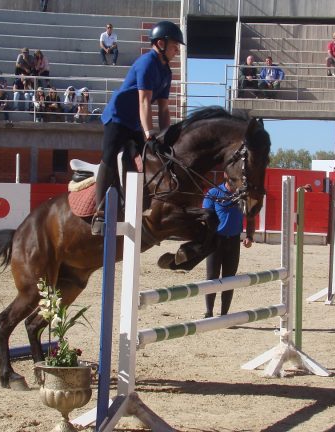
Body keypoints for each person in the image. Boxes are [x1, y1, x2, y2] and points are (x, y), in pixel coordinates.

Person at [93, 20, 183, 235]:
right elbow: (144, 101)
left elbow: (163, 109)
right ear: (160, 43)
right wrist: (149, 133)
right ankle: (100, 213)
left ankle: (135, 206)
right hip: (118, 117)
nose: (177, 49)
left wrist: (166, 136)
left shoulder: (166, 71)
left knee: (146, 158)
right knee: (109, 156)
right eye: (174, 45)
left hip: (135, 121)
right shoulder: (146, 63)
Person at [202, 174, 255, 317]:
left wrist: (249, 235)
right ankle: (209, 312)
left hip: (233, 241)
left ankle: (224, 314)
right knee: (212, 277)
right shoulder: (213, 193)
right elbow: (206, 216)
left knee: (229, 278)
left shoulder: (243, 196)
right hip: (215, 241)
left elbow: (250, 217)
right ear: (225, 176)